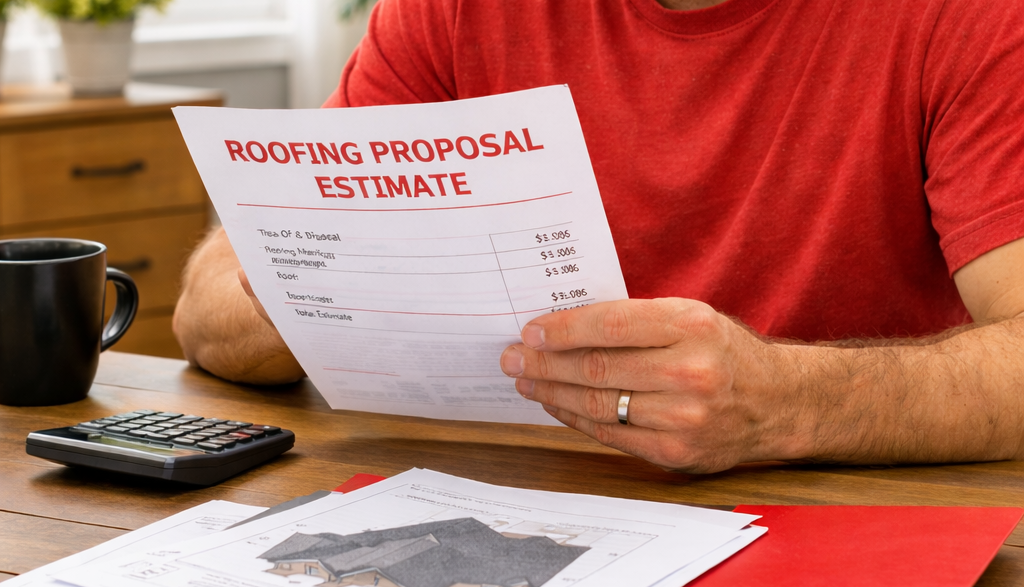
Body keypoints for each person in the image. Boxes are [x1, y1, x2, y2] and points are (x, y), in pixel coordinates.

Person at [174, 0, 1024, 473]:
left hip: (845, 512)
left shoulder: (973, 19)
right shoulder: (452, 10)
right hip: (503, 497)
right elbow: (208, 322)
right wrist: (303, 287)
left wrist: (787, 401)